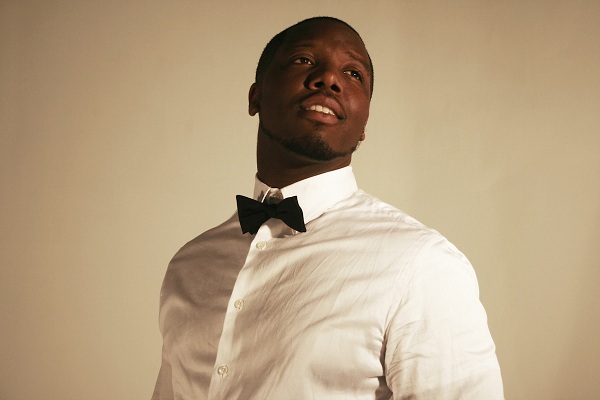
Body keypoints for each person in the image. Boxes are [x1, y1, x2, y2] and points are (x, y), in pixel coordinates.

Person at [152, 16, 504, 400]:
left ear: (364, 124)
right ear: (256, 97)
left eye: (353, 74)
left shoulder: (421, 264)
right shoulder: (190, 266)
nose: (330, 79)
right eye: (304, 60)